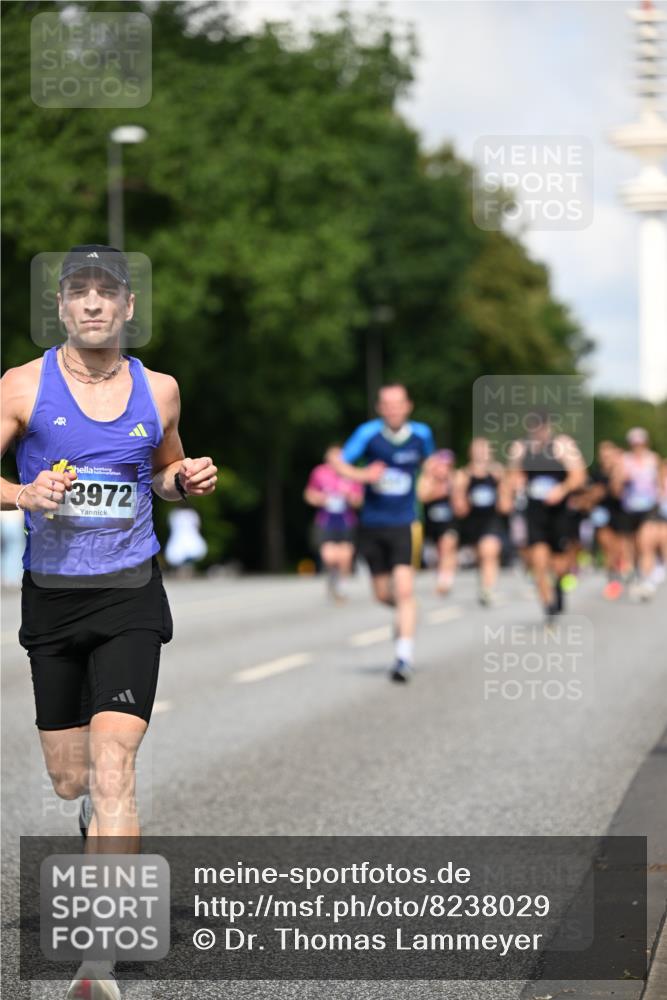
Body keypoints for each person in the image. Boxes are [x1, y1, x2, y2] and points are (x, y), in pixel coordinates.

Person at [0, 246, 218, 1000]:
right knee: (71, 780)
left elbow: (161, 472)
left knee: (115, 764)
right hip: (52, 598)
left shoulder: (159, 390)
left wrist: (183, 479)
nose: (92, 303)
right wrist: (22, 495)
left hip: (130, 595)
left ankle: (99, 959)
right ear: (62, 306)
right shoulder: (22, 386)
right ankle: (93, 813)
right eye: (78, 292)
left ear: (128, 306)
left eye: (106, 292)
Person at [333, 384, 435, 682]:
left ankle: (403, 657)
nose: (393, 409)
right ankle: (407, 612)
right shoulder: (368, 434)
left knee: (404, 589)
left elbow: (430, 464)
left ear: (408, 406)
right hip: (372, 523)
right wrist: (363, 475)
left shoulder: (421, 434)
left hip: (406, 521)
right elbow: (338, 463)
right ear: (380, 408)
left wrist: (433, 479)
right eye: (387, 404)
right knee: (382, 594)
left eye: (398, 403)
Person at [508, 411, 586, 618]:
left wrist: (562, 489)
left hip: (559, 511)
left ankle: (558, 584)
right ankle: (547, 601)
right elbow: (514, 475)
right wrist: (517, 484)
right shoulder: (521, 448)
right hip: (534, 511)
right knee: (538, 557)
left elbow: (579, 475)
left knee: (559, 560)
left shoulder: (562, 445)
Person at [451, 438, 510, 606]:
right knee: (481, 556)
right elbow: (459, 507)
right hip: (471, 522)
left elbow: (506, 506)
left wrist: (502, 485)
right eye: (478, 450)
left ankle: (488, 589)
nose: (481, 454)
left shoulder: (498, 474)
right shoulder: (463, 475)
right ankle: (484, 581)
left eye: (484, 450)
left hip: (491, 520)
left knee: (489, 551)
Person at [304, 445, 363, 602]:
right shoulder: (319, 472)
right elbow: (309, 494)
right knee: (329, 557)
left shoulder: (351, 473)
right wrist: (320, 499)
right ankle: (332, 578)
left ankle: (340, 586)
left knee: (345, 556)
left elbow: (359, 500)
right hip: (326, 520)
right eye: (333, 458)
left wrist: (350, 497)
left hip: (346, 520)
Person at [611, 427, 661, 600]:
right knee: (630, 546)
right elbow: (615, 488)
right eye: (635, 444)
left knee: (645, 543)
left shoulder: (653, 459)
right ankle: (633, 573)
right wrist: (622, 480)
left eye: (641, 443)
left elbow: (660, 483)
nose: (638, 447)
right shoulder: (624, 460)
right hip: (629, 508)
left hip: (649, 508)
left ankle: (646, 581)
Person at [417, 448, 458, 595]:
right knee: (436, 552)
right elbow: (422, 496)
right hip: (431, 523)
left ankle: (445, 580)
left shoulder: (453, 479)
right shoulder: (427, 479)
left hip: (449, 522)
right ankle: (440, 575)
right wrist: (430, 477)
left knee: (447, 546)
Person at [587, 440, 624, 599]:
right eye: (603, 455)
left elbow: (620, 493)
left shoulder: (621, 471)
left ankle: (623, 573)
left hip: (620, 513)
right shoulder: (596, 474)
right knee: (608, 547)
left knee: (619, 549)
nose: (606, 458)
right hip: (601, 514)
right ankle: (612, 579)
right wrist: (595, 494)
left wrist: (617, 473)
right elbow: (590, 496)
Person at [165, 502, 208, 577]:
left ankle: (184, 571)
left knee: (180, 554)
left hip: (179, 537)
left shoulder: (175, 514)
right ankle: (187, 570)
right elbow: (197, 526)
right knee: (188, 553)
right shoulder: (192, 514)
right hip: (188, 537)